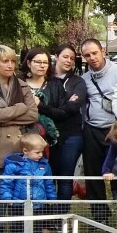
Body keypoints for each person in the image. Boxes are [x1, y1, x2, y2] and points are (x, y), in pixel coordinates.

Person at [0, 44, 39, 217]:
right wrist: (19, 107)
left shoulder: (22, 85)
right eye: (5, 61)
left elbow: (33, 115)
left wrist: (3, 117)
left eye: (13, 61)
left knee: (18, 193)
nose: (10, 65)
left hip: (18, 146)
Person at [80, 39, 117, 223]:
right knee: (93, 173)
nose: (92, 58)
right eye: (87, 55)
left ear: (103, 51)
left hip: (116, 129)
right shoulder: (84, 79)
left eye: (94, 53)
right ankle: (99, 216)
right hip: (92, 129)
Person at [45, 44, 87, 205]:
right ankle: (48, 216)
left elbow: (73, 108)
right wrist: (63, 105)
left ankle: (61, 215)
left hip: (72, 135)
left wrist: (46, 107)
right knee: (49, 176)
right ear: (56, 56)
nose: (69, 61)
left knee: (65, 177)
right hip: (47, 135)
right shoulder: (46, 79)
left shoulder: (78, 82)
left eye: (72, 58)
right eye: (65, 56)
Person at [0, 133, 57, 233]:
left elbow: (49, 182)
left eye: (42, 152)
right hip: (18, 204)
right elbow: (7, 183)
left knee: (36, 227)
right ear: (25, 151)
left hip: (38, 204)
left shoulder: (44, 165)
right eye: (37, 152)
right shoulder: (14, 165)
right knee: (18, 228)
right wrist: (7, 197)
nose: (41, 155)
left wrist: (51, 197)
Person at [22, 47, 59, 149]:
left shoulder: (55, 85)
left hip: (51, 139)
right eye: (38, 62)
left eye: (45, 62)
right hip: (24, 139)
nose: (42, 65)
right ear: (29, 63)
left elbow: (62, 112)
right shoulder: (19, 84)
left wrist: (40, 105)